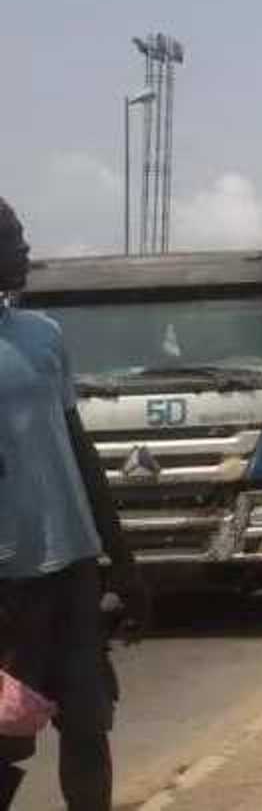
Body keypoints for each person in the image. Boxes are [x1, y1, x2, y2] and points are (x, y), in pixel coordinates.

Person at [0, 198, 148, 811]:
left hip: (74, 570)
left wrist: (123, 560)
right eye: (13, 238)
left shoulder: (43, 335)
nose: (26, 249)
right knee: (5, 737)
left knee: (88, 726)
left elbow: (79, 448)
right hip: (5, 584)